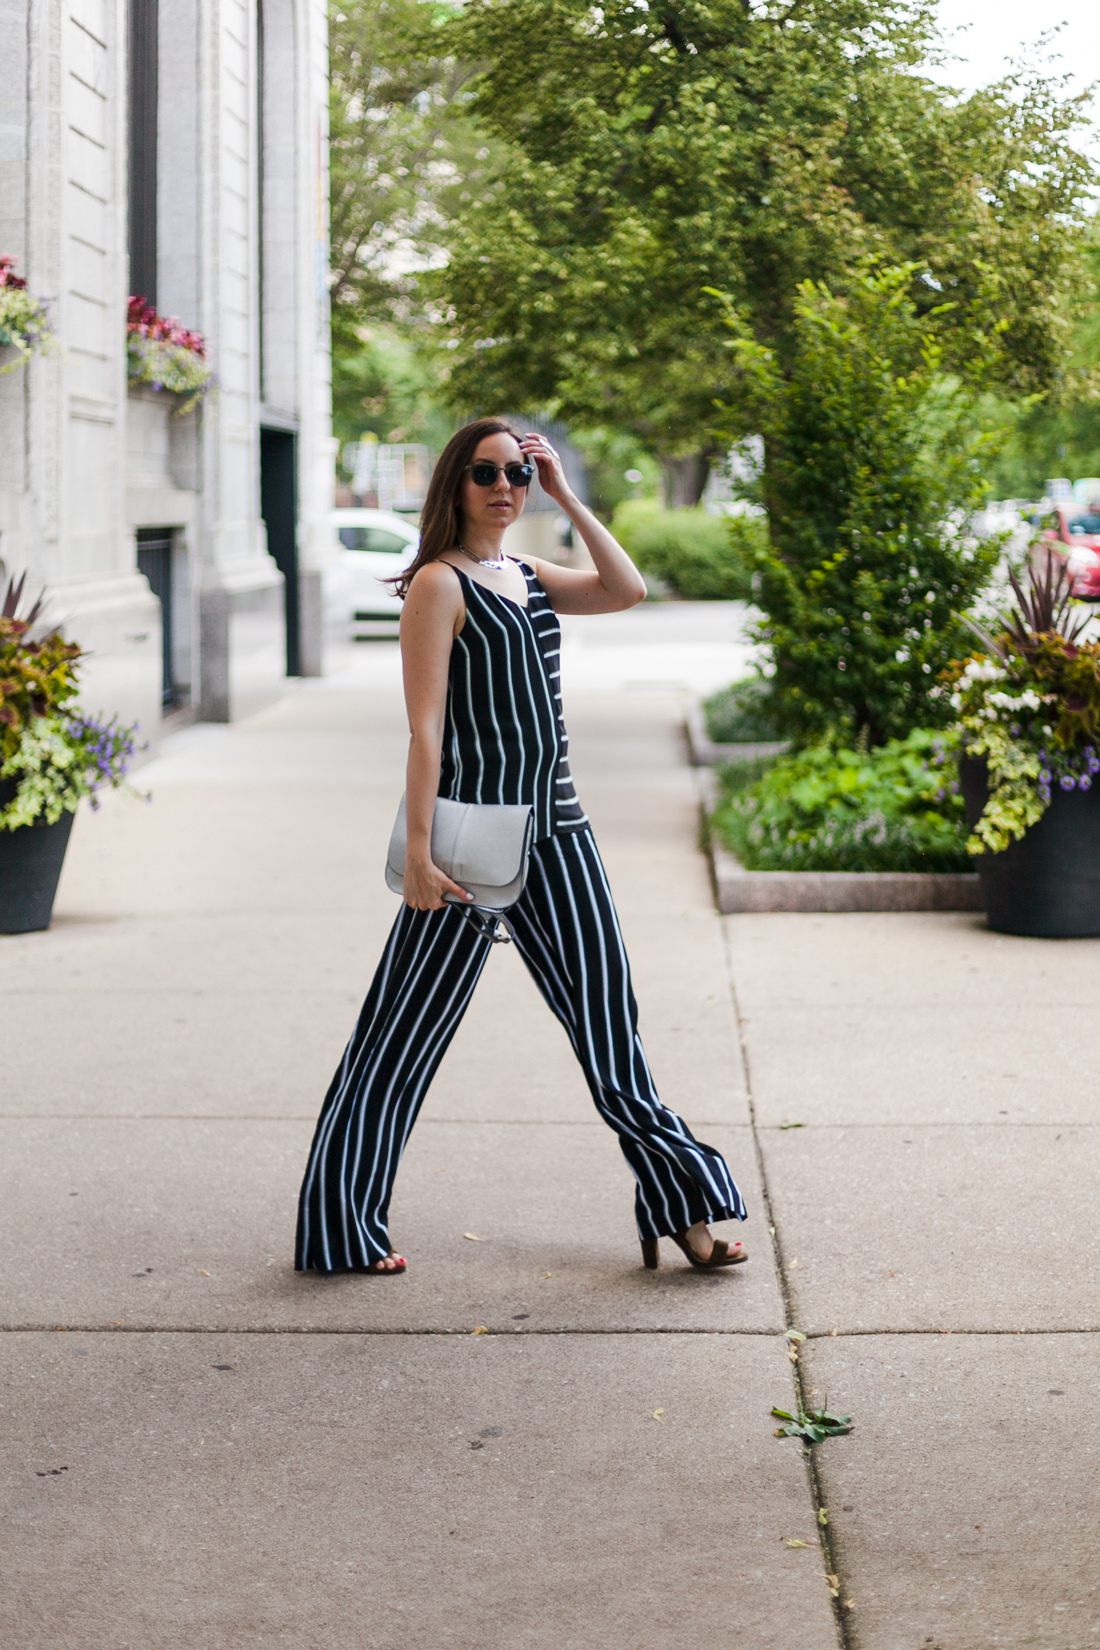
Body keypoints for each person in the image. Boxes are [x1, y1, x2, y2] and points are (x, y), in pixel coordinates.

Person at [295, 418, 748, 1275]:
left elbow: (628, 589)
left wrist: (570, 494)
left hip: (562, 840)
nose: (505, 487)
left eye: (519, 474)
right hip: (469, 852)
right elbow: (425, 731)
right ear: (454, 485)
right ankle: (339, 1227)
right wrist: (419, 859)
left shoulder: (530, 574)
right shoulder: (439, 584)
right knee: (399, 1037)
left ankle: (686, 1210)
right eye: (486, 472)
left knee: (611, 1032)